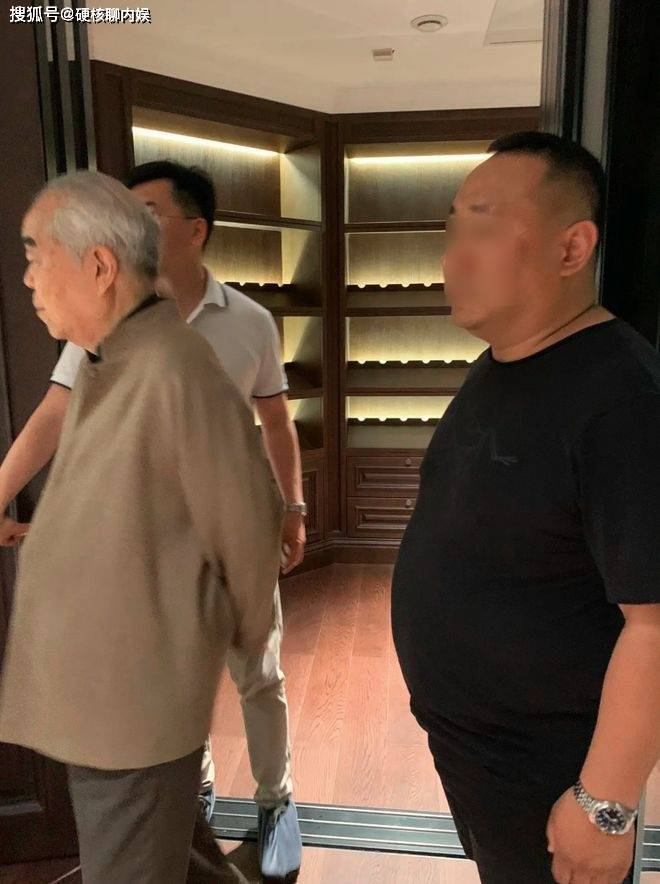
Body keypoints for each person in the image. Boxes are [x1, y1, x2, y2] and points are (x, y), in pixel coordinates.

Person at [0, 160, 305, 883]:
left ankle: (274, 805)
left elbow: (272, 429)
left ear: (192, 231)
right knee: (170, 823)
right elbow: (57, 421)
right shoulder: (103, 344)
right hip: (130, 650)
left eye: (39, 256)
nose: (29, 278)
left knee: (257, 678)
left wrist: (289, 514)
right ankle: (193, 798)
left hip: (169, 624)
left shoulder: (214, 339)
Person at [391, 132, 660, 884]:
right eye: (451, 231)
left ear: (572, 248)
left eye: (481, 228)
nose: (453, 258)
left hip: (551, 771)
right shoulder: (505, 364)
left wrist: (604, 805)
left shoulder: (623, 400)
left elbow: (656, 624)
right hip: (480, 754)